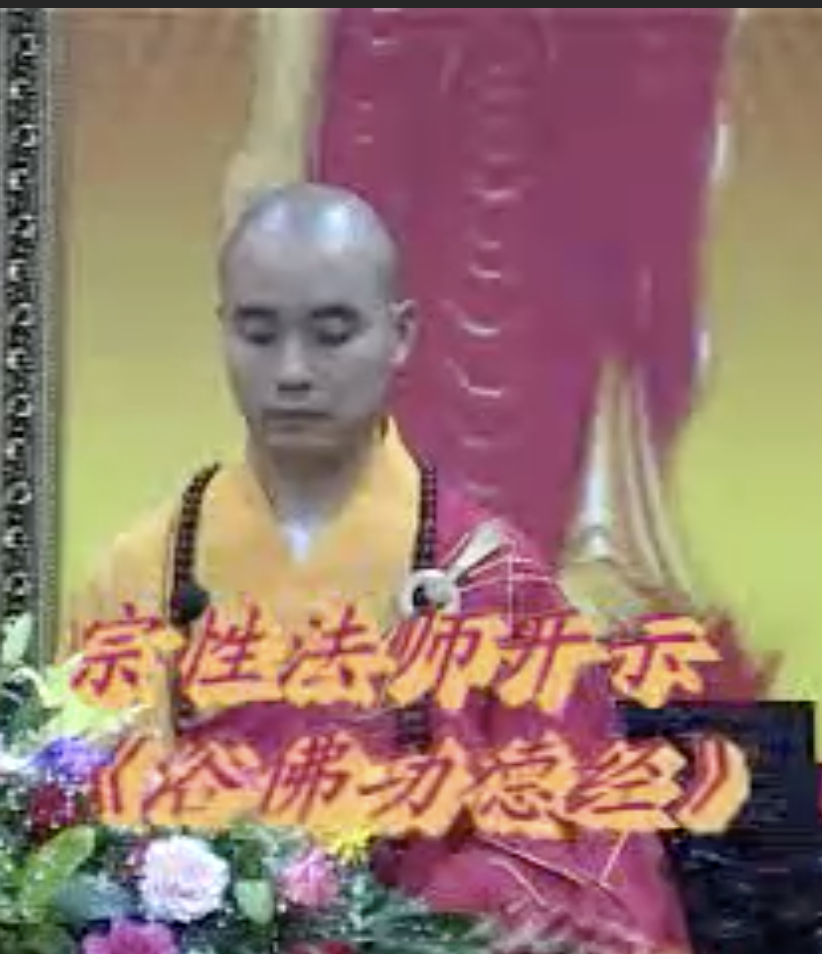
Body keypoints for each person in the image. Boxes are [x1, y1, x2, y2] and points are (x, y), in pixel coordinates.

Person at [62, 183, 692, 953]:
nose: (292, 371)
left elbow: (582, 847)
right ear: (222, 332)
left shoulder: (489, 579)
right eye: (258, 334)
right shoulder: (140, 572)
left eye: (332, 334)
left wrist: (415, 919)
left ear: (400, 335)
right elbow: (79, 834)